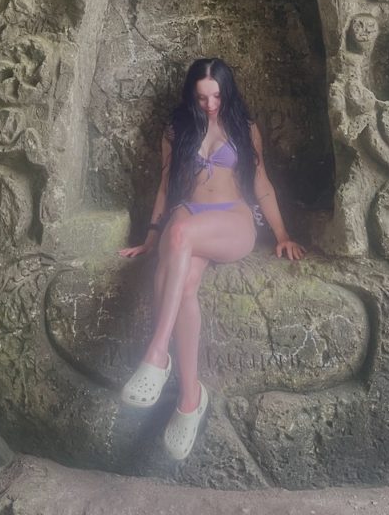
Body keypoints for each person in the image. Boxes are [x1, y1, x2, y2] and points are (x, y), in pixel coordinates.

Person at [118, 57, 305, 459]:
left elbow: (262, 184)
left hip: (232, 219)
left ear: (227, 92)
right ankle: (190, 400)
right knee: (182, 282)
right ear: (192, 95)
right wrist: (151, 238)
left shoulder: (244, 128)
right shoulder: (175, 130)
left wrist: (283, 234)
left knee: (181, 235)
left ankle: (156, 354)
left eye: (217, 95)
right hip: (188, 212)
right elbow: (166, 189)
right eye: (202, 97)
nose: (210, 104)